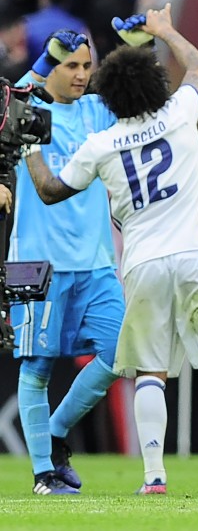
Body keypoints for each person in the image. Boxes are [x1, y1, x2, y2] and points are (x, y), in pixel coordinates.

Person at [24, 4, 198, 495]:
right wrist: (165, 31)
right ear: (156, 84)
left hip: (141, 265)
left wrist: (32, 148)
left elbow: (52, 190)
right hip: (197, 255)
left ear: (108, 95)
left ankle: (154, 477)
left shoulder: (101, 143)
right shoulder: (179, 113)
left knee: (150, 372)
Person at [9, 30, 122, 496]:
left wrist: (140, 45)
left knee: (120, 353)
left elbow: (138, 96)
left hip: (96, 261)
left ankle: (55, 433)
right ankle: (43, 475)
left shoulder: (97, 110)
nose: (81, 75)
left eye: (86, 66)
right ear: (51, 66)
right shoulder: (27, 110)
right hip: (35, 261)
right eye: (70, 65)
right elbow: (13, 94)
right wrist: (40, 61)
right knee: (37, 367)